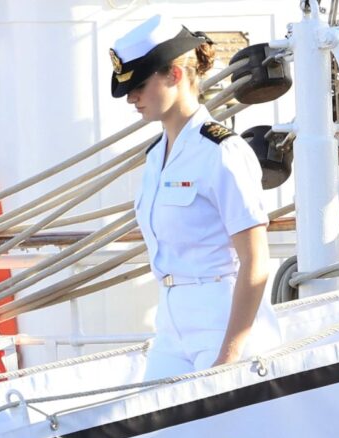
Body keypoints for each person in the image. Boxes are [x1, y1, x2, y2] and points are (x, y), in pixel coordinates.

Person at [111, 16, 281, 379]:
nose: (131, 98)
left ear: (174, 74)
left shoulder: (222, 152)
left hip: (221, 320)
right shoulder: (156, 156)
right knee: (155, 426)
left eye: (139, 84)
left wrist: (229, 355)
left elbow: (256, 261)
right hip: (171, 324)